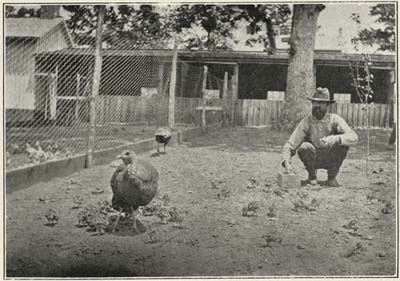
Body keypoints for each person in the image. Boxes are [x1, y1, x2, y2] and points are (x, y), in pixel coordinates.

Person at [281, 87, 358, 187]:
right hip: (314, 157)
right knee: (305, 147)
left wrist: (336, 138)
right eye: (314, 103)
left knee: (343, 144)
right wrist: (286, 161)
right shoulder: (306, 122)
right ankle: (312, 176)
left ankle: (331, 177)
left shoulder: (335, 119)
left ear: (327, 105)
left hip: (331, 158)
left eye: (321, 103)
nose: (317, 106)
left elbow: (354, 137)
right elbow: (291, 144)